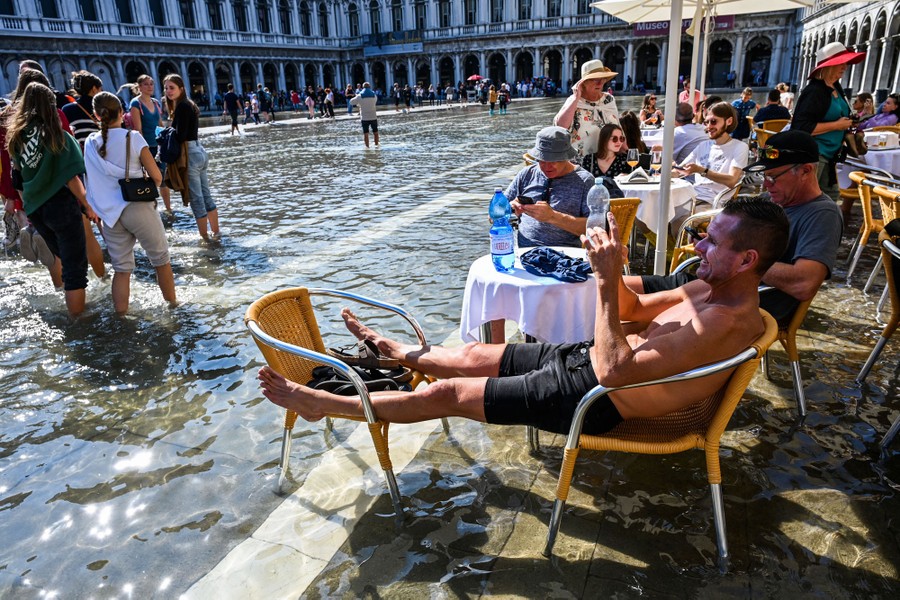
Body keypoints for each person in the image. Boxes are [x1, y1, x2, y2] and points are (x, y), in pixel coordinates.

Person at [258, 197, 789, 437]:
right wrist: (610, 264)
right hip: (589, 363)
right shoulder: (705, 286)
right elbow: (634, 310)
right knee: (470, 355)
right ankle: (398, 351)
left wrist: (604, 282)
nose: (698, 243)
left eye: (711, 240)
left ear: (747, 261)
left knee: (446, 395)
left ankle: (321, 404)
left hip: (598, 399)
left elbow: (615, 373)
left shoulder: (725, 323)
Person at [627, 131, 842, 328]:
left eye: (773, 177)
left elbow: (804, 283)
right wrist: (716, 243)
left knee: (630, 308)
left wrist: (731, 257)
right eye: (764, 176)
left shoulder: (822, 214)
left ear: (805, 170)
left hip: (745, 304)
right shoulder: (771, 201)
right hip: (717, 288)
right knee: (622, 289)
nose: (766, 185)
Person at [6, 82, 99, 317]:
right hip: (61, 207)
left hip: (37, 209)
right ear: (51, 105)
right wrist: (88, 206)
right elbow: (71, 178)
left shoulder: (16, 138)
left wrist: (27, 209)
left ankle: (73, 309)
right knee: (75, 271)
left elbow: (16, 178)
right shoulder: (58, 136)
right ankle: (79, 324)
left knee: (65, 261)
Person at [83, 92, 177, 315]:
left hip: (110, 215)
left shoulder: (89, 142)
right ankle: (174, 309)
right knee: (161, 261)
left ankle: (121, 316)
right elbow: (157, 177)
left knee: (121, 270)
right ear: (122, 113)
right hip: (138, 207)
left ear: (96, 115)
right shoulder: (133, 137)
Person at [791, 42, 865, 196]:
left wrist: (849, 121)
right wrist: (836, 125)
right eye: (841, 63)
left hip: (830, 155)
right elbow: (801, 127)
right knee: (806, 200)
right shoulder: (814, 91)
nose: (845, 67)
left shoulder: (836, 87)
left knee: (829, 198)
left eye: (845, 63)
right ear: (829, 66)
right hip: (813, 155)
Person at [506, 126, 594, 249]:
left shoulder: (585, 181)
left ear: (566, 157)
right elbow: (492, 215)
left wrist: (552, 217)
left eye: (553, 160)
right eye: (542, 160)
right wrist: (510, 209)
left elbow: (595, 228)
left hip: (565, 256)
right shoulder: (527, 174)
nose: (547, 166)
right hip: (523, 253)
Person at [164, 73, 220, 240]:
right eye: (166, 88)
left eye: (172, 88)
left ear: (181, 88)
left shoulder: (181, 107)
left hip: (189, 154)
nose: (168, 91)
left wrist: (167, 132)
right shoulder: (189, 105)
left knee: (196, 199)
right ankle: (216, 233)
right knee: (206, 195)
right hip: (199, 151)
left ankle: (205, 238)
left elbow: (181, 136)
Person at [675, 102, 748, 209]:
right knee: (653, 208)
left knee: (672, 216)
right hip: (691, 196)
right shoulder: (703, 145)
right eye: (706, 122)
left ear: (729, 121)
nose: (708, 126)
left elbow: (732, 180)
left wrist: (702, 171)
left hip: (713, 202)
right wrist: (659, 173)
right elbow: (680, 170)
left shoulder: (740, 147)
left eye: (713, 121)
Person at [553, 59, 619, 159]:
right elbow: (560, 127)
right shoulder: (573, 101)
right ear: (584, 83)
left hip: (608, 158)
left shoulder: (609, 99)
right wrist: (576, 98)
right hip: (580, 161)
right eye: (595, 79)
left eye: (603, 79)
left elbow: (618, 127)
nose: (600, 83)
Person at [129, 75, 173, 214]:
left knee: (164, 177)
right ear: (140, 87)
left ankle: (168, 208)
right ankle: (153, 208)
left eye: (152, 84)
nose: (150, 87)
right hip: (147, 146)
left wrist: (165, 138)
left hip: (159, 145)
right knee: (151, 177)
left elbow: (159, 123)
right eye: (146, 84)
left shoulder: (155, 102)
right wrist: (143, 150)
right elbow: (138, 129)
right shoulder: (136, 104)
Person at [349, 82, 379, 148]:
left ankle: (367, 147)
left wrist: (357, 98)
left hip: (364, 118)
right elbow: (375, 102)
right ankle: (376, 145)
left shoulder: (360, 96)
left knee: (366, 134)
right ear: (369, 87)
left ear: (363, 87)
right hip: (373, 117)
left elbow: (351, 102)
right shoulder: (374, 95)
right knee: (375, 132)